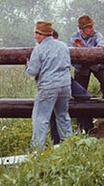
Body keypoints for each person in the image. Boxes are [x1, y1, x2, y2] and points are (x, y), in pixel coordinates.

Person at [25, 21, 72, 150]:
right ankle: (70, 145)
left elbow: (33, 71)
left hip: (48, 86)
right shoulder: (63, 46)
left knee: (40, 118)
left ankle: (37, 149)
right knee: (63, 116)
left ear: (43, 34)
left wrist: (27, 67)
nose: (35, 36)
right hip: (65, 85)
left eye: (37, 33)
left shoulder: (38, 49)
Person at [69, 15, 104, 98]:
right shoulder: (74, 37)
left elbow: (101, 43)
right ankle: (81, 107)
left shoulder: (97, 34)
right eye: (89, 27)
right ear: (82, 30)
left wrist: (83, 48)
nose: (92, 29)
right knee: (79, 90)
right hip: (82, 67)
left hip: (97, 64)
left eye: (92, 26)